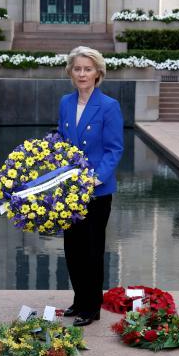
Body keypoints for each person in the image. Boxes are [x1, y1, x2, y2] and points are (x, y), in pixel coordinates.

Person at [57, 46, 124, 326]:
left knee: (92, 250)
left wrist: (95, 177)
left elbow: (114, 149)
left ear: (98, 73)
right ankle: (79, 299)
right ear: (71, 72)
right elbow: (61, 141)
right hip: (70, 190)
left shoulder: (109, 106)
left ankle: (91, 307)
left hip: (96, 191)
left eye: (87, 69)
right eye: (77, 68)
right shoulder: (65, 102)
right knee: (72, 248)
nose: (82, 74)